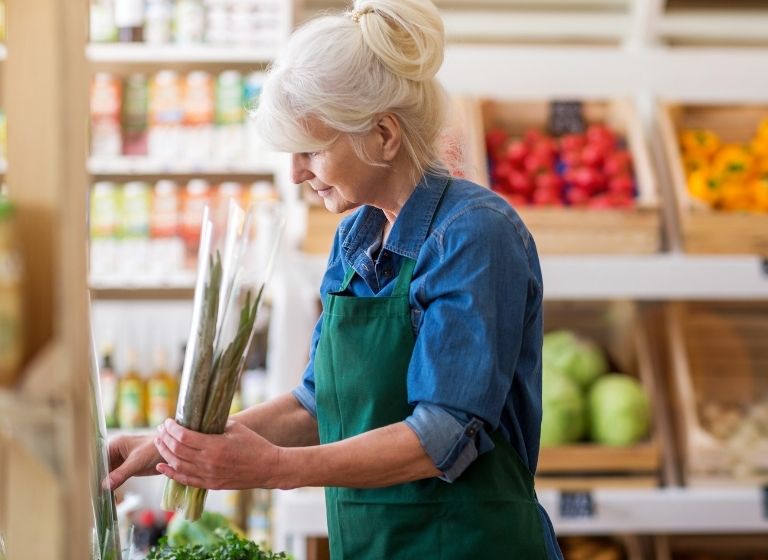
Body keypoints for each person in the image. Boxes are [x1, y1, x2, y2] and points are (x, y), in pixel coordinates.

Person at [106, 1, 560, 558]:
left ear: (384, 135)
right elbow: (314, 406)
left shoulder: (473, 234)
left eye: (312, 150)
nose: (296, 172)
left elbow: (443, 435)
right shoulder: (354, 239)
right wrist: (171, 445)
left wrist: (274, 469)